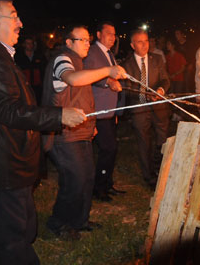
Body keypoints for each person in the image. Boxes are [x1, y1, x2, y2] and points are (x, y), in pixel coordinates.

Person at [0, 0, 87, 265]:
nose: (21, 23)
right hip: (1, 161)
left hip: (11, 158)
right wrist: (58, 115)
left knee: (25, 224)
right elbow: (8, 110)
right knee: (12, 238)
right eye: (14, 16)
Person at [42, 24, 126, 240]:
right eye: (83, 40)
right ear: (69, 42)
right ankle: (58, 222)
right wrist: (108, 71)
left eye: (89, 40)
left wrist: (92, 124)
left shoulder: (79, 62)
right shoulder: (63, 59)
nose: (88, 43)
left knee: (87, 177)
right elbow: (71, 79)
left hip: (81, 130)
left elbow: (83, 96)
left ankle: (79, 220)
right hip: (64, 133)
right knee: (75, 179)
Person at [121, 29, 170, 188]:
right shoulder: (126, 65)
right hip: (139, 109)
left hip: (159, 107)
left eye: (146, 41)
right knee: (144, 142)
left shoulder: (156, 59)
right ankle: (149, 176)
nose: (145, 45)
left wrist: (161, 90)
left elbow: (165, 79)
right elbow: (126, 89)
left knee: (162, 140)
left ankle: (162, 169)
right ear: (132, 45)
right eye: (140, 42)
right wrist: (142, 95)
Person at [84, 21, 125, 203]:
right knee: (108, 149)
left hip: (109, 110)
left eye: (114, 34)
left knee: (111, 149)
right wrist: (107, 82)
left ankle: (107, 183)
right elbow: (88, 75)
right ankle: (98, 188)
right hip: (98, 110)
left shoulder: (109, 54)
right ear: (99, 34)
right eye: (109, 33)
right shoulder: (93, 52)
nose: (112, 37)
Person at [15, 35, 47, 102]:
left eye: (31, 43)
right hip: (24, 87)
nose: (30, 45)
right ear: (24, 45)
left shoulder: (39, 56)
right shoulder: (18, 57)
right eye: (27, 43)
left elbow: (44, 70)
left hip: (38, 87)